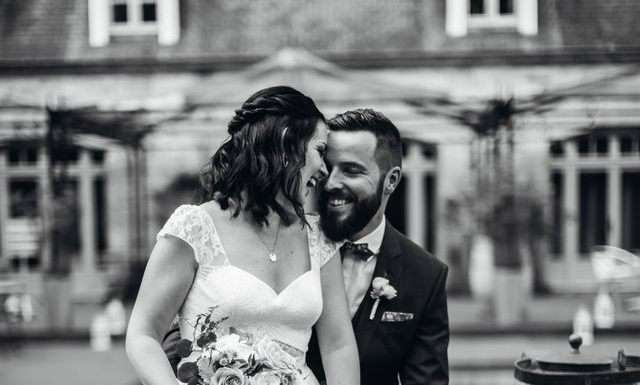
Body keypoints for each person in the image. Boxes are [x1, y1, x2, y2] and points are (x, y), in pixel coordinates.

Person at [126, 86, 359, 385]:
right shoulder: (194, 228)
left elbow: (338, 345)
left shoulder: (320, 239)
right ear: (287, 142)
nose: (325, 169)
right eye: (320, 151)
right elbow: (142, 335)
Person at [307, 108, 449, 385]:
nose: (331, 183)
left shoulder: (426, 275)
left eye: (351, 170)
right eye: (327, 167)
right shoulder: (287, 245)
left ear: (391, 180)